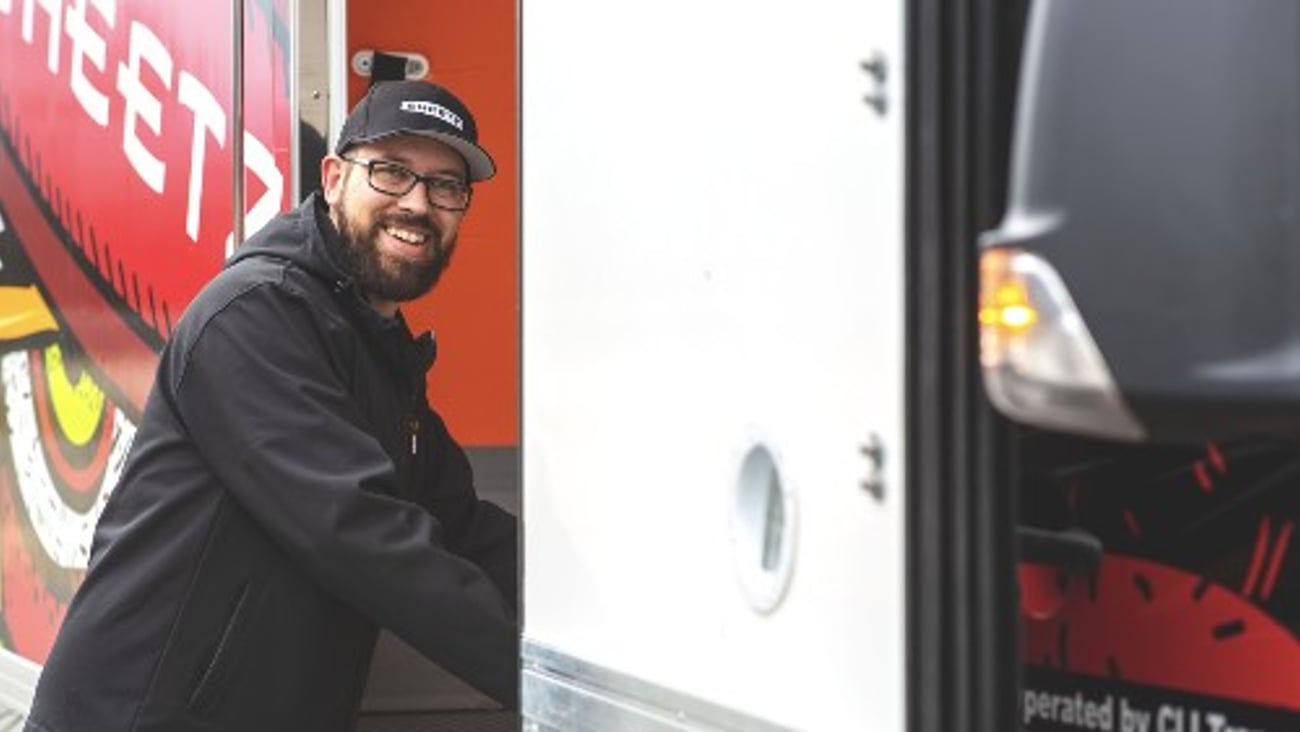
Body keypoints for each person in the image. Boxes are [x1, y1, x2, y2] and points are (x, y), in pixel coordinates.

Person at [25, 80, 518, 731]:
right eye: (392, 172)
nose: (418, 203)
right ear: (335, 177)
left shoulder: (374, 343)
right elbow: (357, 530)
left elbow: (458, 522)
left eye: (445, 186)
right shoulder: (254, 316)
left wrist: (608, 621)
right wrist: (535, 676)